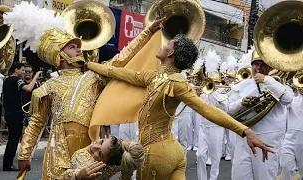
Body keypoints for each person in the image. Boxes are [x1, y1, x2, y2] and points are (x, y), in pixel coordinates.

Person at [86, 35, 274, 179]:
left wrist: (245, 131)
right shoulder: (156, 77)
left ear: (170, 54)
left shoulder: (175, 83)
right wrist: (90, 64)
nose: (163, 45)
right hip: (175, 153)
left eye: (167, 44)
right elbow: (119, 73)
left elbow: (207, 110)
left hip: (155, 153)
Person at [17, 20, 163, 179]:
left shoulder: (94, 77)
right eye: (72, 48)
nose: (79, 49)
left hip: (90, 145)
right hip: (57, 149)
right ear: (60, 56)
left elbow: (122, 58)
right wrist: (24, 154)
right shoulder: (49, 86)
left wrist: (147, 33)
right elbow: (37, 123)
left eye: (78, 46)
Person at [228, 50, 293, 180]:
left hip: (267, 140)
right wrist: (241, 103)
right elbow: (228, 110)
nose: (258, 68)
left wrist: (267, 80)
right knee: (239, 177)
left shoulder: (277, 84)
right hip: (244, 139)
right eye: (255, 64)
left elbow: (288, 99)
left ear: (269, 66)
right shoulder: (241, 85)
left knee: (264, 177)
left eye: (262, 64)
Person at [2, 63, 41, 171]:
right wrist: (36, 76)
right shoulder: (16, 80)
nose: (23, 72)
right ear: (16, 70)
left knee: (12, 139)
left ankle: (7, 163)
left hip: (9, 112)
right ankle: (8, 164)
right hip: (16, 112)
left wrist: (4, 113)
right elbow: (28, 88)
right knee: (14, 140)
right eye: (22, 70)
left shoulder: (6, 80)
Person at [60, 136, 144, 180]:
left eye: (99, 153)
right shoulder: (122, 158)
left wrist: (77, 176)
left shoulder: (87, 167)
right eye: (102, 141)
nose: (93, 146)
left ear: (105, 164)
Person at [280, 85, 303, 179]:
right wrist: (288, 89)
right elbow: (283, 101)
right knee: (286, 165)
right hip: (289, 137)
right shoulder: (293, 99)